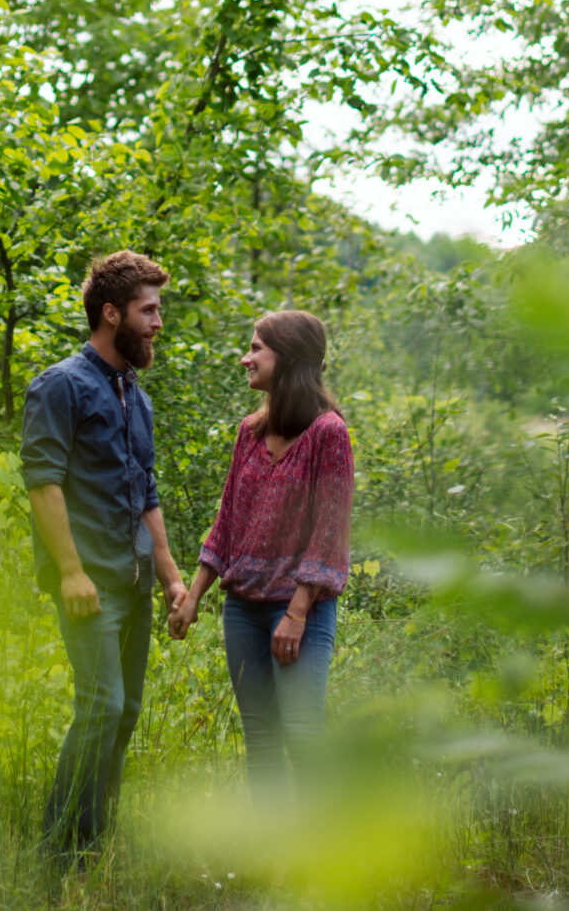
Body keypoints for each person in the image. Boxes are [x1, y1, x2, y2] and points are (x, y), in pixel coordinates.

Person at [21, 249, 190, 863]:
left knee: (126, 714)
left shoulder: (135, 398)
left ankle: (95, 843)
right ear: (112, 313)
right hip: (88, 582)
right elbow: (43, 482)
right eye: (149, 310)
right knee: (102, 707)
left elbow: (145, 492)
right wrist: (69, 571)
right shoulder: (60, 385)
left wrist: (172, 580)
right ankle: (58, 851)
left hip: (135, 580)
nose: (157, 322)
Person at [170, 308, 353, 802]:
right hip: (244, 610)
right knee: (262, 737)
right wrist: (194, 597)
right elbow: (227, 520)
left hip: (300, 610)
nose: (245, 358)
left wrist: (296, 613)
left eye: (256, 348)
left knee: (302, 731)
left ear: (288, 358)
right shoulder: (248, 433)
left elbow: (328, 531)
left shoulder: (328, 434)